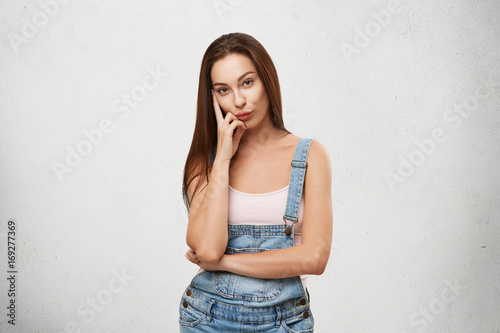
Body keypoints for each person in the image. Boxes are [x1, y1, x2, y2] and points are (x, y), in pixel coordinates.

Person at [179, 32, 333, 332]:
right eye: (223, 90)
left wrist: (225, 263)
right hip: (206, 320)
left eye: (247, 82)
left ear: (267, 81)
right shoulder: (205, 162)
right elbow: (209, 251)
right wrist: (222, 160)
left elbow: (314, 258)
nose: (238, 101)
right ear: (212, 98)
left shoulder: (311, 156)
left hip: (282, 324)